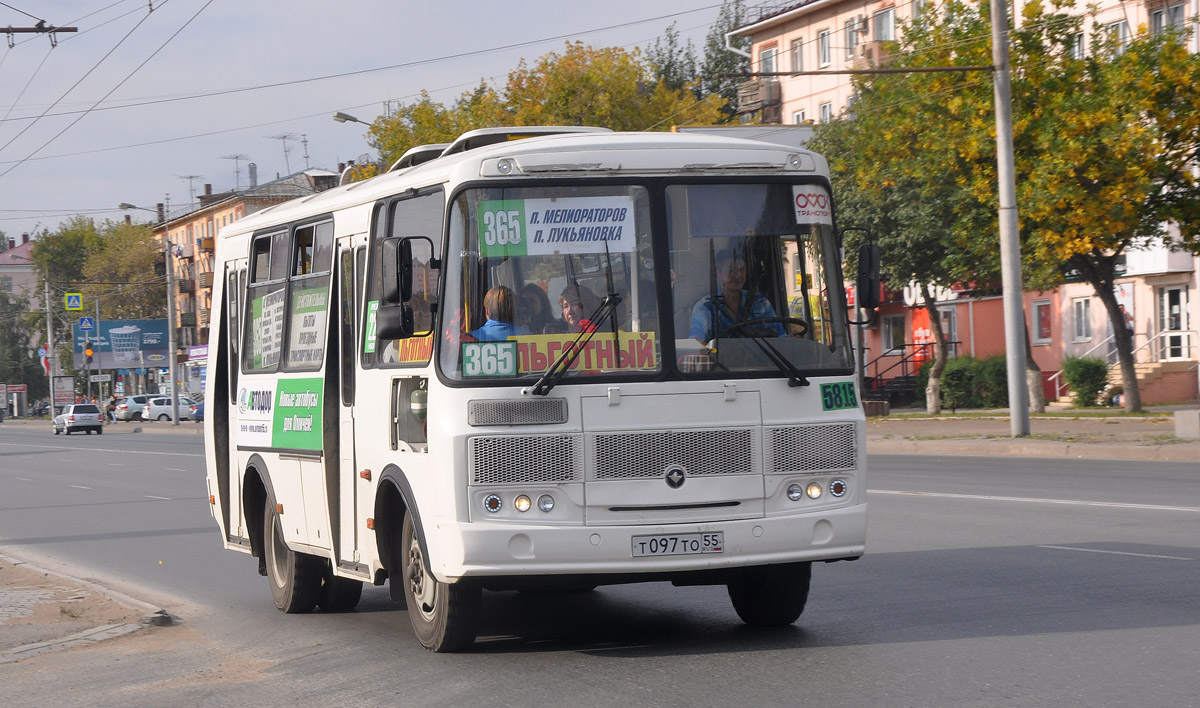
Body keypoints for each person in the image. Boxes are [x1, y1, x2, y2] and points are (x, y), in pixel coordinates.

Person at [690, 248, 785, 343]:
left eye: (741, 270)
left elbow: (781, 340)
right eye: (731, 270)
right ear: (718, 274)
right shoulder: (705, 307)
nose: (737, 276)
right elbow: (697, 342)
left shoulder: (760, 303)